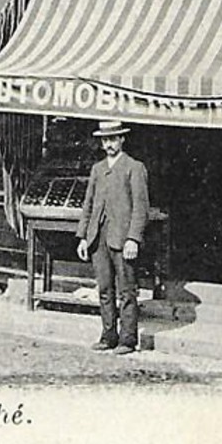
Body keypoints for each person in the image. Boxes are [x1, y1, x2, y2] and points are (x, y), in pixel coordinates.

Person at [75, 120, 150, 354]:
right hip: (99, 238)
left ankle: (128, 339)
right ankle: (108, 335)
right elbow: (88, 205)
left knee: (127, 290)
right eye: (105, 140)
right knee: (104, 289)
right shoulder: (97, 169)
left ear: (122, 139)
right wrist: (83, 237)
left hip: (122, 238)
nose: (109, 144)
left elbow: (141, 207)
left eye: (113, 139)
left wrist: (133, 239)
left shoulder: (134, 168)